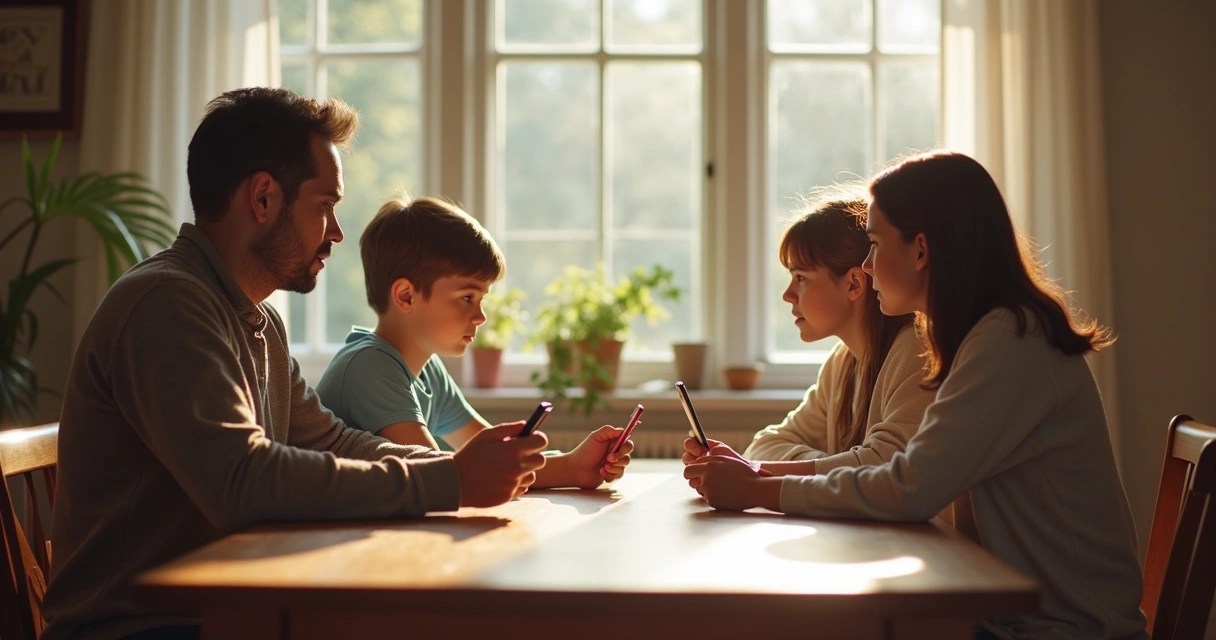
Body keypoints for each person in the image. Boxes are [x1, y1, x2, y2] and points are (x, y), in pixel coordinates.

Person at [42, 88, 546, 640]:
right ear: (262, 198)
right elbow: (242, 481)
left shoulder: (255, 319)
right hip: (140, 628)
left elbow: (329, 440)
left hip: (226, 613)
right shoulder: (167, 303)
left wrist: (458, 469)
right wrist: (449, 478)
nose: (336, 232)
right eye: (325, 206)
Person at [684, 151, 1147, 639]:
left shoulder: (1009, 339)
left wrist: (757, 487)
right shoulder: (982, 334)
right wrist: (753, 473)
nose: (866, 264)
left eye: (876, 244)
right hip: (1014, 621)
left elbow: (908, 486)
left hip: (1060, 630)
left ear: (921, 250)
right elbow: (905, 477)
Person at [315, 196, 632, 490]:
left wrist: (573, 467)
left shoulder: (428, 370)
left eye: (482, 299)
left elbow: (493, 463)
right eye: (467, 297)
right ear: (406, 296)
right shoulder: (369, 367)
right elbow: (443, 474)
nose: (480, 316)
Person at [681, 196, 934, 487]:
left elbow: (884, 467)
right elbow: (766, 443)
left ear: (853, 283)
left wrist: (758, 472)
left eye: (800, 277)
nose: (787, 294)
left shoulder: (915, 351)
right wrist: (831, 464)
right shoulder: (842, 362)